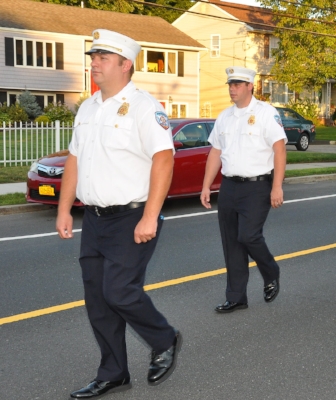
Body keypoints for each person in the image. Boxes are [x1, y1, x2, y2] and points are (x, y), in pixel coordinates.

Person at [56, 29, 180, 398]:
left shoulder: (144, 106)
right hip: (94, 218)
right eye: (93, 57)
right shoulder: (89, 107)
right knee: (97, 299)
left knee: (120, 293)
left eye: (103, 58)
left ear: (125, 65)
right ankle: (113, 372)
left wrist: (149, 216)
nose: (94, 63)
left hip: (132, 215)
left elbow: (164, 158)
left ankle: (164, 338)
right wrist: (65, 209)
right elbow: (75, 160)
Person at [201, 66, 286, 313]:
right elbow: (215, 151)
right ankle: (236, 296)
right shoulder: (225, 116)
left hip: (257, 186)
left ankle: (271, 271)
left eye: (237, 84)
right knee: (231, 242)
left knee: (248, 236)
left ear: (250, 86)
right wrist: (207, 185)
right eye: (230, 84)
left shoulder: (265, 113)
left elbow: (279, 149)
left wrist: (277, 186)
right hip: (229, 186)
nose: (232, 89)